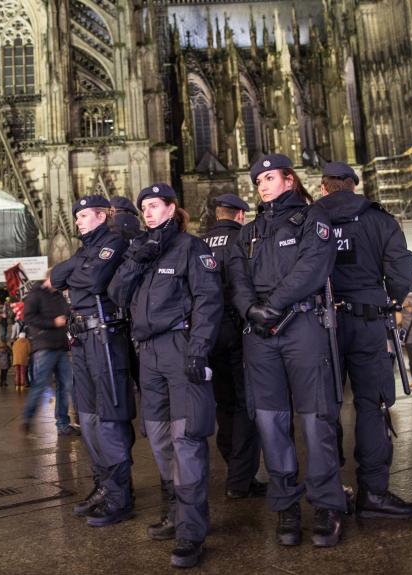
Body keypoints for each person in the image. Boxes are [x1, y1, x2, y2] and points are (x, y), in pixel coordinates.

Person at [228, 154, 347, 549]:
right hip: (260, 333)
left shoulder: (313, 219)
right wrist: (250, 309)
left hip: (303, 327)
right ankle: (286, 507)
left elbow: (313, 267)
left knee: (317, 421)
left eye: (269, 177)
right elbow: (237, 277)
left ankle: (327, 506)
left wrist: (272, 304)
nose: (262, 185)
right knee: (270, 423)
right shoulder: (250, 232)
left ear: (289, 180)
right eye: (258, 179)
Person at [109, 183, 222, 568]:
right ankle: (175, 510)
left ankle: (192, 530)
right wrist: (138, 259)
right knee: (158, 439)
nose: (148, 213)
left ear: (172, 208)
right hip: (149, 354)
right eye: (144, 208)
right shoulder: (144, 249)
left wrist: (199, 349)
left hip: (180, 347)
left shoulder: (191, 248)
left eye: (155, 206)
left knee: (186, 439)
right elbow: (116, 294)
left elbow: (209, 300)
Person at [315, 160, 412, 521]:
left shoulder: (309, 219)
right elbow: (402, 266)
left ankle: (331, 496)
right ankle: (373, 493)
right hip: (369, 320)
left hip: (320, 325)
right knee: (372, 405)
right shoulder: (378, 218)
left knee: (325, 408)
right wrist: (388, 297)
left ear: (324, 187)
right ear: (353, 185)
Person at [50, 194, 136, 527]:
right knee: (87, 417)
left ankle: (119, 496)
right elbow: (58, 278)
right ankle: (103, 486)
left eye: (84, 215)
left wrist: (78, 270)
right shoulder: (86, 250)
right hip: (82, 338)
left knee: (110, 417)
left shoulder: (113, 242)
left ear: (102, 216)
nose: (78, 220)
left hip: (105, 335)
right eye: (77, 216)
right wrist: (79, 268)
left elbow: (97, 280)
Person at [200, 193, 265, 500]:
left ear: (216, 214)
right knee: (245, 404)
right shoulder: (245, 240)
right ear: (240, 215)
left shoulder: (199, 243)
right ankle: (241, 479)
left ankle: (233, 468)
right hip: (240, 329)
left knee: (223, 404)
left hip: (210, 332)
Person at [21, 269, 78, 436]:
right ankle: (27, 417)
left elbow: (66, 315)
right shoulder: (36, 294)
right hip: (44, 346)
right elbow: (29, 317)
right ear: (50, 277)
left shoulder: (59, 295)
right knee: (39, 384)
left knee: (66, 384)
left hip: (60, 346)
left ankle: (62, 424)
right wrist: (53, 322)